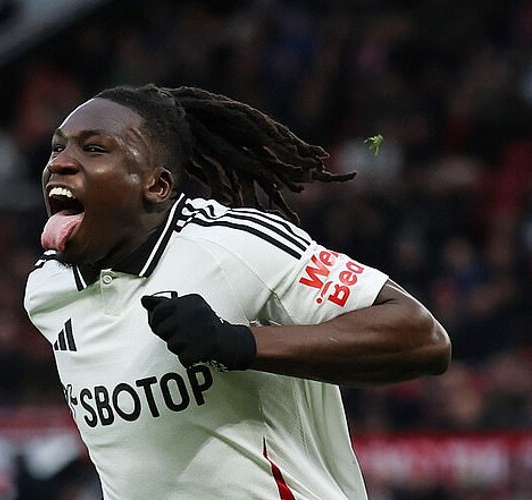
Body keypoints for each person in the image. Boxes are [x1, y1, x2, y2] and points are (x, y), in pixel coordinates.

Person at [23, 84, 451, 500]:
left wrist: (238, 341)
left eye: (94, 148)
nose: (60, 163)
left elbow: (422, 338)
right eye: (58, 148)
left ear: (156, 186)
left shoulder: (234, 246)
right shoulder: (47, 289)